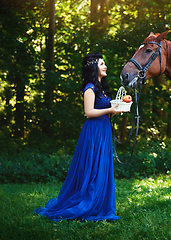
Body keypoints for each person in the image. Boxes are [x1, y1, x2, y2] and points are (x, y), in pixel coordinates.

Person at [34, 52, 121, 222]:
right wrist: (110, 110)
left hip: (103, 130)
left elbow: (105, 110)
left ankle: (100, 202)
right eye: (102, 63)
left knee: (101, 165)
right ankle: (87, 203)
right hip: (94, 131)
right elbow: (89, 112)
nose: (105, 66)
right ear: (93, 67)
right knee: (92, 168)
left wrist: (118, 108)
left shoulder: (102, 88)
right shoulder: (90, 87)